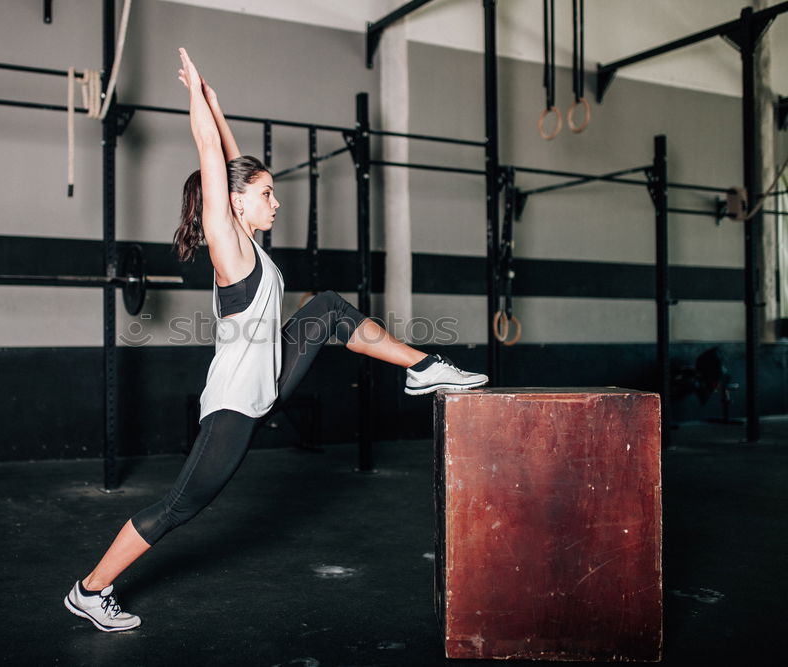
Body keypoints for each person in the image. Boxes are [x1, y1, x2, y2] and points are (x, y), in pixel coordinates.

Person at [64, 48, 488, 632]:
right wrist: (196, 106)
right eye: (266, 195)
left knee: (327, 309)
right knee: (178, 508)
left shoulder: (250, 241)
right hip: (235, 407)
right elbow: (215, 161)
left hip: (270, 379)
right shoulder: (229, 248)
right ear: (236, 204)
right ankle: (89, 589)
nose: (276, 201)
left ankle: (423, 367)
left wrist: (219, 107)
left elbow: (234, 163)